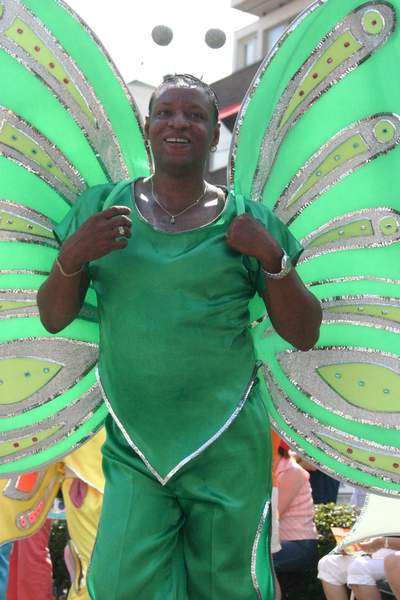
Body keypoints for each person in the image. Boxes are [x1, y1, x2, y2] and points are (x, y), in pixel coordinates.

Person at [37, 73, 322, 600]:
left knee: (229, 589)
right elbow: (52, 318)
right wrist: (72, 256)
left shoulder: (249, 221)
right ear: (147, 127)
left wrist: (271, 256)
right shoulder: (102, 211)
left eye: (195, 115)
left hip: (226, 442)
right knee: (118, 583)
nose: (179, 123)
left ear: (215, 135)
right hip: (135, 444)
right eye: (166, 112)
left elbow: (304, 332)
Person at [273, 442, 318, 574]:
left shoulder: (292, 471)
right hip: (279, 541)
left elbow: (274, 514)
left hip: (299, 544)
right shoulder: (271, 469)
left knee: (250, 560)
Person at [318, 536, 400, 600]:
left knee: (359, 567)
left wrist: (382, 542)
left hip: (395, 559)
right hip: (374, 556)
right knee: (327, 564)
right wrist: (352, 546)